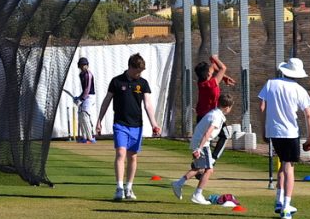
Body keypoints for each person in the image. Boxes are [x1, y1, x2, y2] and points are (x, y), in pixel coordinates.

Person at [95, 53, 161, 201]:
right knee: (120, 154)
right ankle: (119, 188)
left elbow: (148, 105)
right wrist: (99, 120)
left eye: (141, 72)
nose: (139, 74)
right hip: (120, 124)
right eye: (137, 71)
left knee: (133, 157)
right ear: (130, 67)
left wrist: (154, 124)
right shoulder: (116, 81)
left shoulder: (143, 83)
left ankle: (129, 188)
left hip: (137, 126)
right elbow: (106, 101)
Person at [258, 57, 310, 219]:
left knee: (283, 164)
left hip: (274, 132)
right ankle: (285, 207)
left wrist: (264, 129)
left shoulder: (270, 84)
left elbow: (261, 107)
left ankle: (279, 200)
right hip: (290, 132)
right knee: (289, 168)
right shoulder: (299, 90)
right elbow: (308, 114)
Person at [172, 94, 233, 205]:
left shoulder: (214, 113)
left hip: (198, 141)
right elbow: (208, 132)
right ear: (227, 107)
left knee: (198, 168)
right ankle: (197, 195)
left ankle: (178, 184)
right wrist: (199, 148)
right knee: (209, 170)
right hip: (202, 143)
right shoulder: (217, 117)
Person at [195, 54, 236, 161]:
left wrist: (224, 77)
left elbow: (215, 69)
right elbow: (223, 68)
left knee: (204, 141)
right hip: (211, 116)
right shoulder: (211, 84)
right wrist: (215, 58)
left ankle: (199, 164)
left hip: (201, 116)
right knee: (225, 135)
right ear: (209, 74)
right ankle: (212, 159)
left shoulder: (202, 82)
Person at [75, 57, 96, 144]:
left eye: (85, 65)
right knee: (80, 115)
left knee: (85, 115)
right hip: (85, 96)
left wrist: (81, 99)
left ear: (87, 65)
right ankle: (84, 137)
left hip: (90, 96)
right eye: (82, 65)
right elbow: (84, 89)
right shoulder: (81, 75)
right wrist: (79, 97)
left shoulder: (88, 74)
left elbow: (87, 89)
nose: (84, 67)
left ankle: (90, 138)